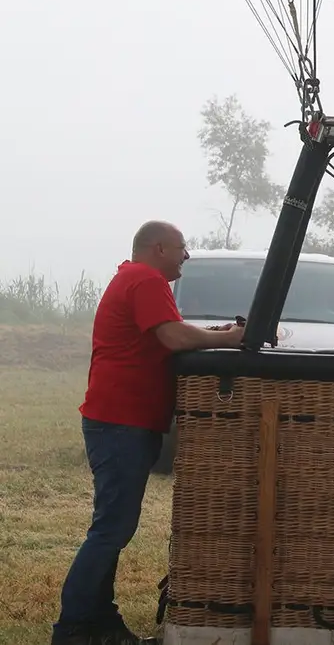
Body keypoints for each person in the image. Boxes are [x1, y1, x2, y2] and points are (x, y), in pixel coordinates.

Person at [52, 221, 246, 645]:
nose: (187, 256)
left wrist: (210, 336)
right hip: (122, 422)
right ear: (159, 248)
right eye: (182, 248)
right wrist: (232, 337)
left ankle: (100, 623)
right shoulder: (145, 280)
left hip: (118, 420)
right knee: (111, 530)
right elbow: (174, 337)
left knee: (113, 526)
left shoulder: (134, 277)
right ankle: (72, 628)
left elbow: (167, 336)